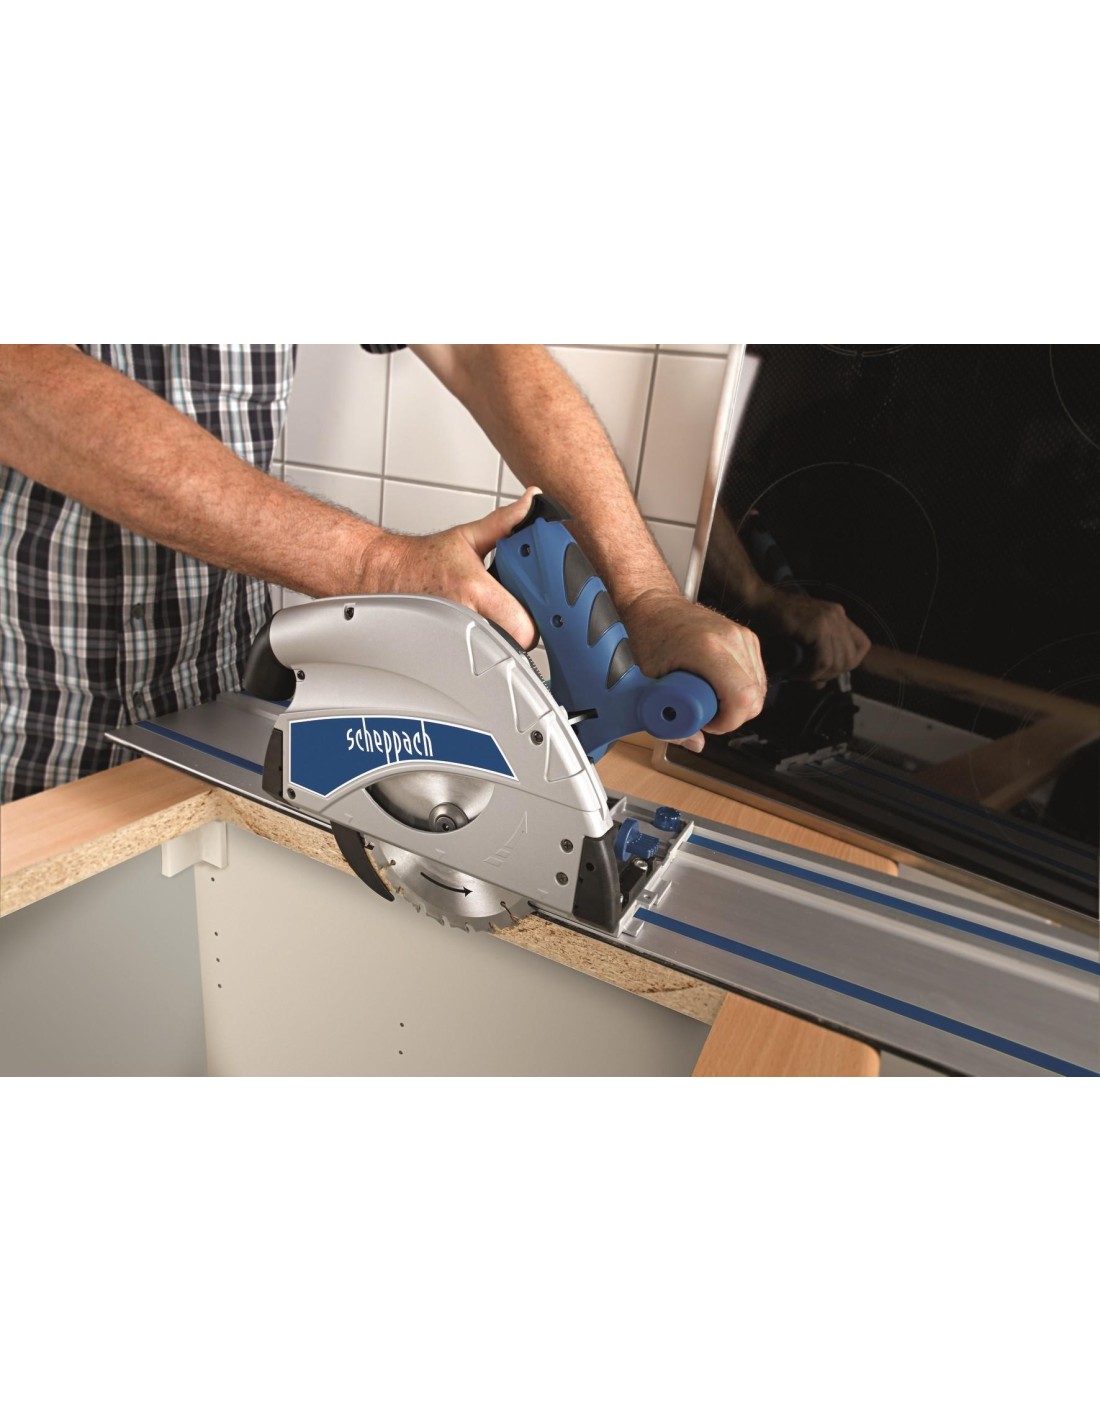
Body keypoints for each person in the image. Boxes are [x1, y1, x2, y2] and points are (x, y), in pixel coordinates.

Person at [0, 344, 865, 803]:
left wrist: (644, 596)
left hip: (207, 708)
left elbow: (480, 344)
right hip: (25, 721)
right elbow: (16, 379)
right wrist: (376, 563)